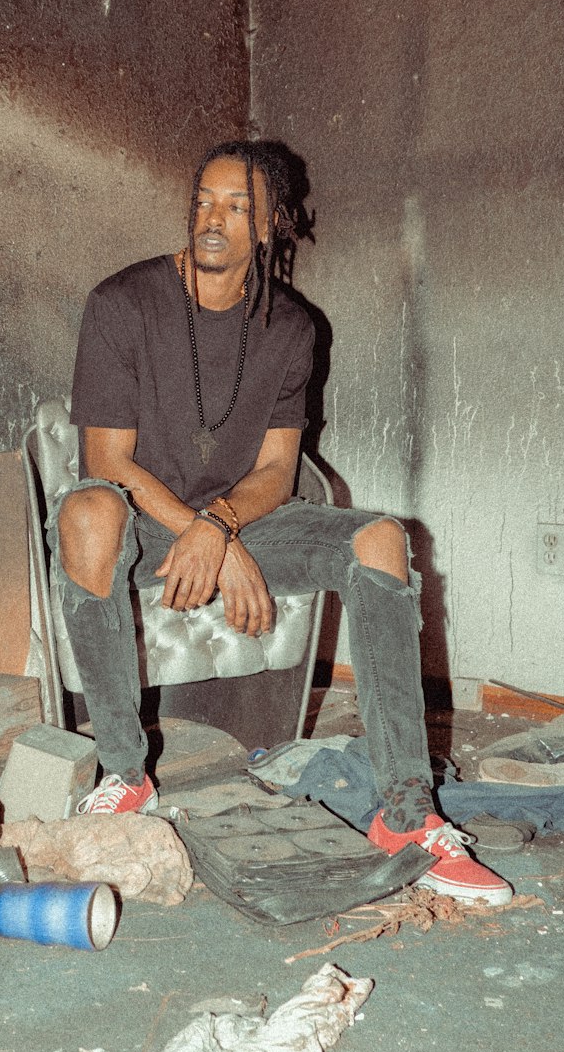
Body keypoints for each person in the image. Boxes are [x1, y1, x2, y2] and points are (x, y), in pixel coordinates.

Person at [49, 139, 511, 906]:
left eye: (236, 207)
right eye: (204, 199)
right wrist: (203, 535)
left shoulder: (293, 327)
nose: (213, 218)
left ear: (269, 227)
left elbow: (276, 470)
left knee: (381, 538)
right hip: (140, 521)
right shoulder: (122, 303)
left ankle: (406, 813)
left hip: (239, 525)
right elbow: (107, 460)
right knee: (89, 511)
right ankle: (125, 773)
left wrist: (223, 527)